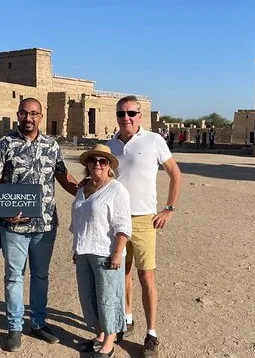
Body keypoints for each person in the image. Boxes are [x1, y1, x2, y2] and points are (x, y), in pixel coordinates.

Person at [0, 97, 80, 352]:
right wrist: (5, 212)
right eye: (24, 113)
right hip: (14, 226)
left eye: (33, 114)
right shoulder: (4, 144)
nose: (28, 118)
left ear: (40, 116)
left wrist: (87, 191)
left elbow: (62, 176)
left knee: (40, 276)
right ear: (18, 114)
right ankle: (15, 327)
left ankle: (38, 323)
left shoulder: (51, 145)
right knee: (14, 277)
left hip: (45, 224)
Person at [106, 96, 182, 358]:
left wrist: (169, 208)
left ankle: (151, 333)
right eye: (121, 113)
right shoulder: (110, 145)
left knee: (146, 277)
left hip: (143, 220)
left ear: (140, 116)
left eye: (131, 113)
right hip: (116, 220)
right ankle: (126, 317)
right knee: (122, 274)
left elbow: (175, 174)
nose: (126, 118)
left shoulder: (154, 141)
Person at [71, 144, 131, 358]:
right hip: (84, 250)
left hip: (106, 252)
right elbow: (78, 222)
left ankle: (109, 344)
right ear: (87, 164)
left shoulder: (116, 190)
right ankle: (100, 334)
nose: (97, 164)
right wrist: (76, 248)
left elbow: (123, 225)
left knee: (108, 299)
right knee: (88, 298)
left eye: (102, 161)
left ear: (109, 166)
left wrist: (117, 253)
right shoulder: (82, 190)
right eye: (93, 160)